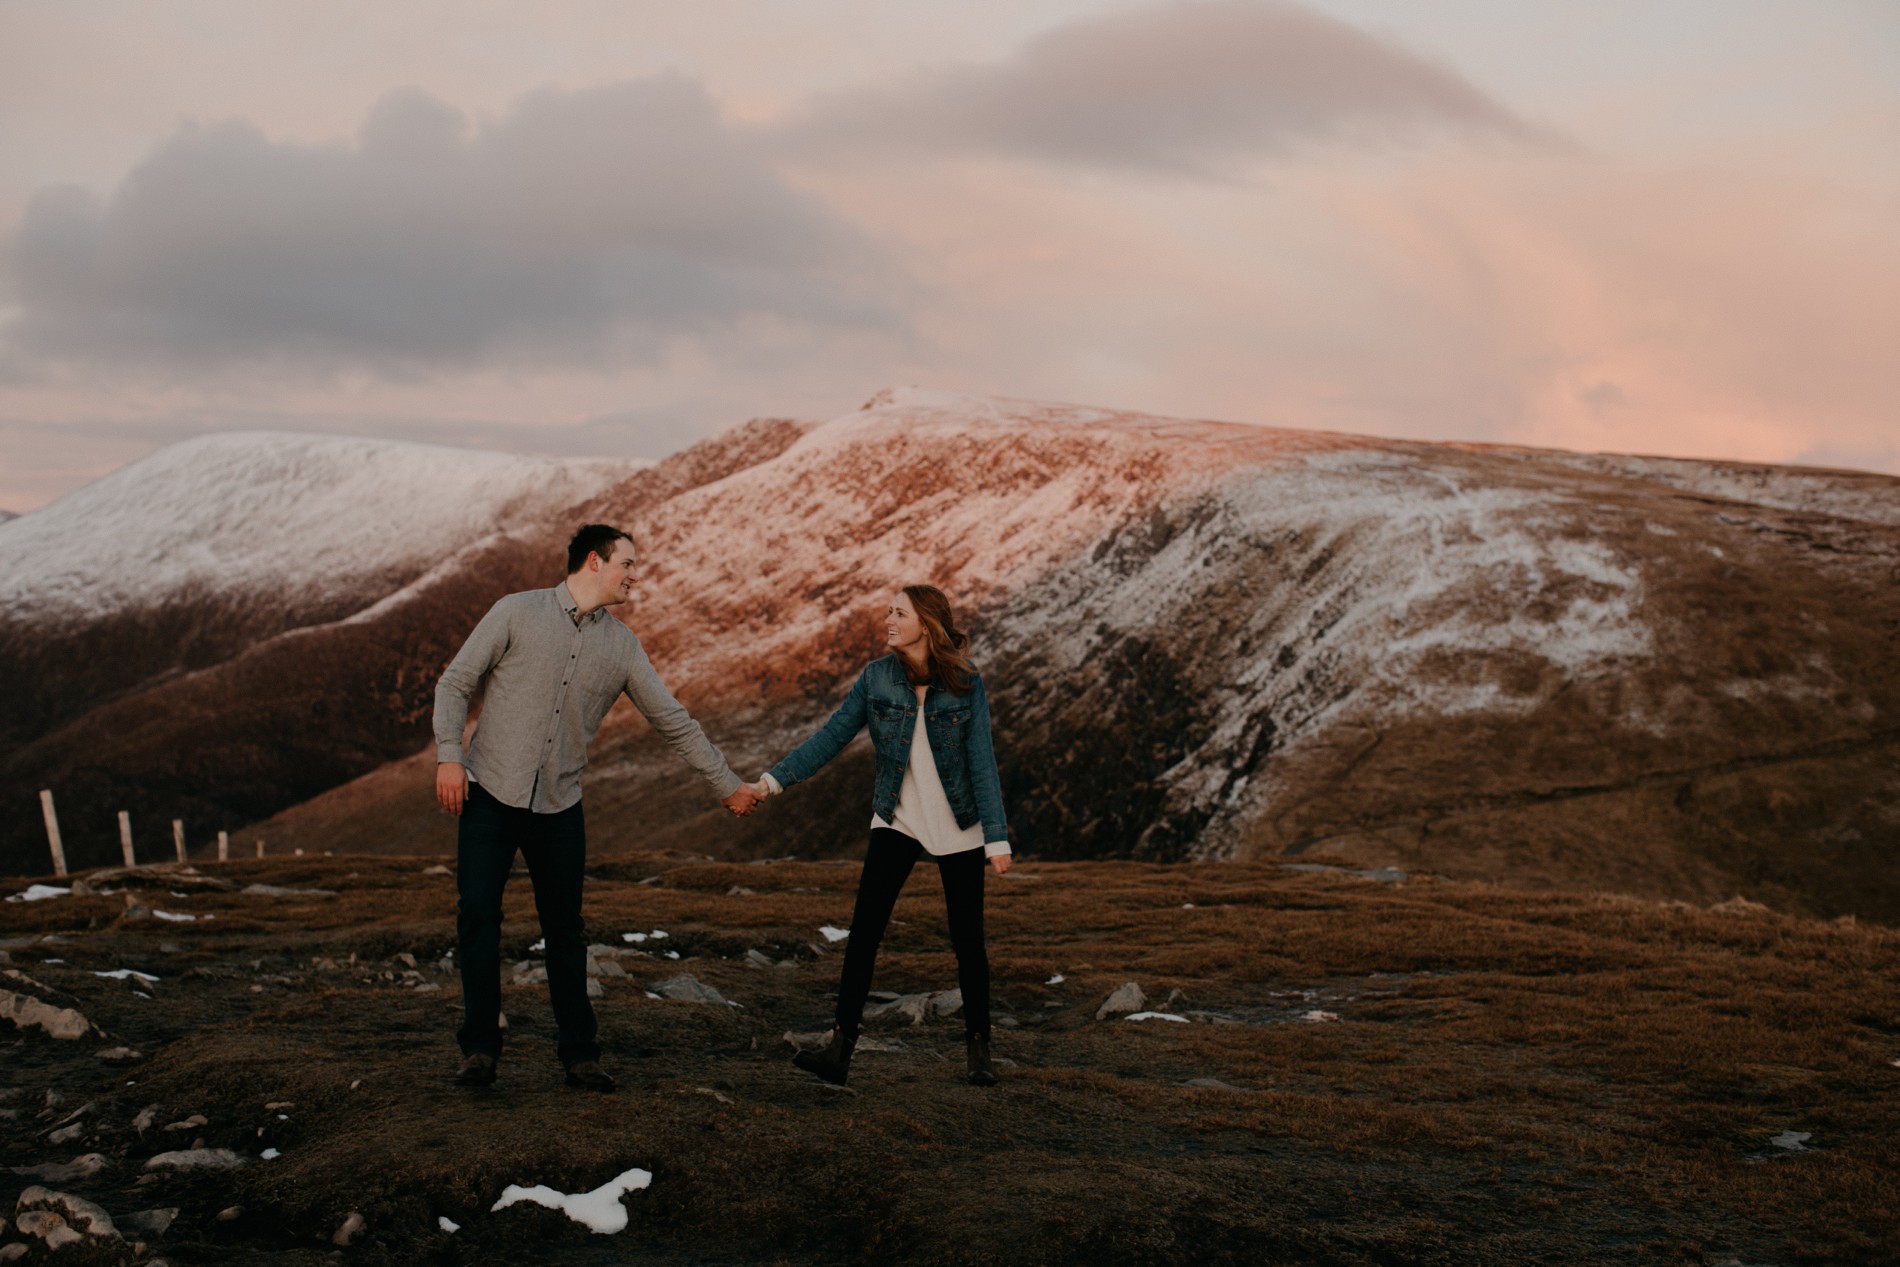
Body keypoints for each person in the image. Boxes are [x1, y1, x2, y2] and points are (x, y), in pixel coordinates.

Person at [433, 523, 762, 1093]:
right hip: (489, 793)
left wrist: (726, 784)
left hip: (560, 806)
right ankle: (480, 1050)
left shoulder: (622, 646)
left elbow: (673, 721)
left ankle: (580, 1055)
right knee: (478, 918)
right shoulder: (515, 612)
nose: (636, 575)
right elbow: (455, 682)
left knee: (565, 931)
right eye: (628, 564)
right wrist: (448, 757)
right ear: (594, 561)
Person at [751, 584, 1010, 1087]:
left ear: (926, 625)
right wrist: (770, 783)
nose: (887, 620)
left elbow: (982, 759)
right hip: (898, 818)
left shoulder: (964, 682)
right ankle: (839, 1049)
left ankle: (979, 1050)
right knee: (864, 934)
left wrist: (996, 838)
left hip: (960, 822)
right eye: (888, 611)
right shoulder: (876, 679)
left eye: (899, 613)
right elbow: (830, 738)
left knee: (967, 941)